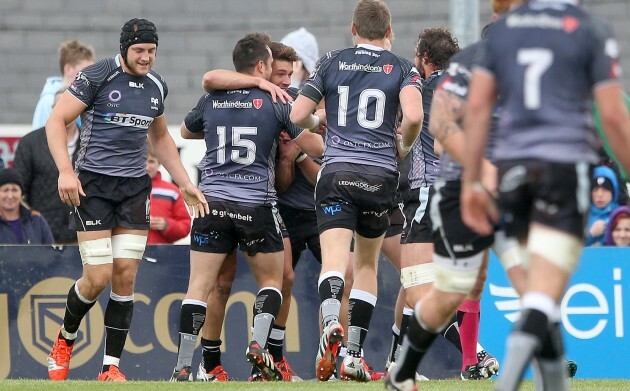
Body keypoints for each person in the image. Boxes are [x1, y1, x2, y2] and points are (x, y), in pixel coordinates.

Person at [461, 0, 630, 390]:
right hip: (563, 170)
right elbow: (614, 115)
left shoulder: (503, 33)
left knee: (539, 288)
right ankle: (509, 381)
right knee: (544, 292)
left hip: (512, 173)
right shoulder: (590, 30)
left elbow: (477, 109)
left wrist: (471, 180)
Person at [45, 18, 208, 382]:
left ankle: (110, 367)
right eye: (139, 51)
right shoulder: (98, 75)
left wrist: (183, 182)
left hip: (135, 189)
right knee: (97, 277)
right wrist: (65, 171)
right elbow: (56, 122)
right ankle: (65, 339)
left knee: (125, 277)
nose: (147, 58)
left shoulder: (156, 85)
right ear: (124, 49)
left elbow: (162, 138)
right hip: (93, 187)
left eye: (151, 51)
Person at [170, 32, 324, 382]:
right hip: (255, 204)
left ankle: (181, 367)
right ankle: (258, 346)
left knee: (199, 286)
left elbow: (185, 130)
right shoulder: (276, 101)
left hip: (212, 205)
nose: (275, 73)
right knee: (271, 282)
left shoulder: (212, 99)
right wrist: (311, 130)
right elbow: (314, 145)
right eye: (271, 65)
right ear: (260, 66)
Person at [290, 0, 423, 382]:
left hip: (336, 173)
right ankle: (352, 355)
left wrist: (319, 122)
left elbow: (297, 115)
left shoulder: (333, 60)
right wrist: (403, 145)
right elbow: (413, 116)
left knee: (334, 260)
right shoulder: (401, 68)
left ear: (353, 28)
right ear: (389, 30)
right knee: (367, 266)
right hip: (380, 176)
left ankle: (331, 319)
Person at [14, 87, 79, 244]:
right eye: (59, 106)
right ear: (52, 109)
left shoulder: (92, 144)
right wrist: (32, 222)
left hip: (83, 237)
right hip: (42, 239)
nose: (65, 111)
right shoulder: (30, 144)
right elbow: (19, 190)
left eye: (71, 106)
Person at [32, 40, 95, 129]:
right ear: (68, 69)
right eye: (86, 70)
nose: (91, 76)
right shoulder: (48, 101)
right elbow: (39, 138)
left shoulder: (90, 99)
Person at [146, 143, 191, 244]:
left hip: (162, 253)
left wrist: (166, 225)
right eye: (142, 161)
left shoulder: (171, 191)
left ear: (160, 163)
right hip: (129, 252)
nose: (147, 166)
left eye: (151, 161)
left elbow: (185, 226)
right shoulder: (126, 190)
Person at [0, 168, 54, 245]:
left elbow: (51, 253)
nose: (10, 196)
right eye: (5, 190)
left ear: (21, 194)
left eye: (15, 190)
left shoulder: (36, 220)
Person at [586, 165, 619, 246]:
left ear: (613, 192)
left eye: (605, 190)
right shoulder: (581, 216)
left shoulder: (621, 216)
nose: (600, 195)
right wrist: (590, 235)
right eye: (595, 190)